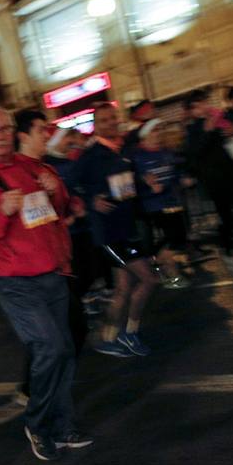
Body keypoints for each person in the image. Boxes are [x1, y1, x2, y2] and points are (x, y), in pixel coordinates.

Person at [0, 105, 90, 461]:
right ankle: (37, 423)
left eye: (4, 129)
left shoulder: (29, 166)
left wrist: (54, 188)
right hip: (13, 279)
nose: (0, 136)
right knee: (50, 347)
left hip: (50, 271)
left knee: (66, 349)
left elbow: (55, 210)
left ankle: (63, 424)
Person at [70, 102, 159, 358]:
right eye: (104, 120)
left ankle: (107, 337)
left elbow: (131, 185)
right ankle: (129, 333)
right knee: (148, 279)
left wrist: (146, 184)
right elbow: (69, 186)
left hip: (127, 227)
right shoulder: (90, 156)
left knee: (124, 287)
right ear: (96, 126)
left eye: (113, 118)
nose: (111, 123)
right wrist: (90, 203)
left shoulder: (124, 151)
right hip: (108, 233)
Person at [185, 88, 233, 270]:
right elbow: (195, 154)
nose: (202, 108)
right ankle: (228, 252)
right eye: (196, 107)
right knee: (225, 217)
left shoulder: (223, 119)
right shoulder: (194, 129)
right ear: (191, 111)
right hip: (215, 181)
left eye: (203, 103)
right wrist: (207, 131)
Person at [133, 119, 190, 288]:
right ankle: (168, 272)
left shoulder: (165, 151)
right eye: (154, 131)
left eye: (159, 131)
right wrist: (146, 184)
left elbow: (175, 171)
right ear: (145, 135)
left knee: (177, 238)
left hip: (172, 200)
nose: (158, 134)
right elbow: (133, 181)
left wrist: (182, 178)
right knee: (173, 238)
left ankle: (161, 266)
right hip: (154, 205)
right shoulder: (137, 156)